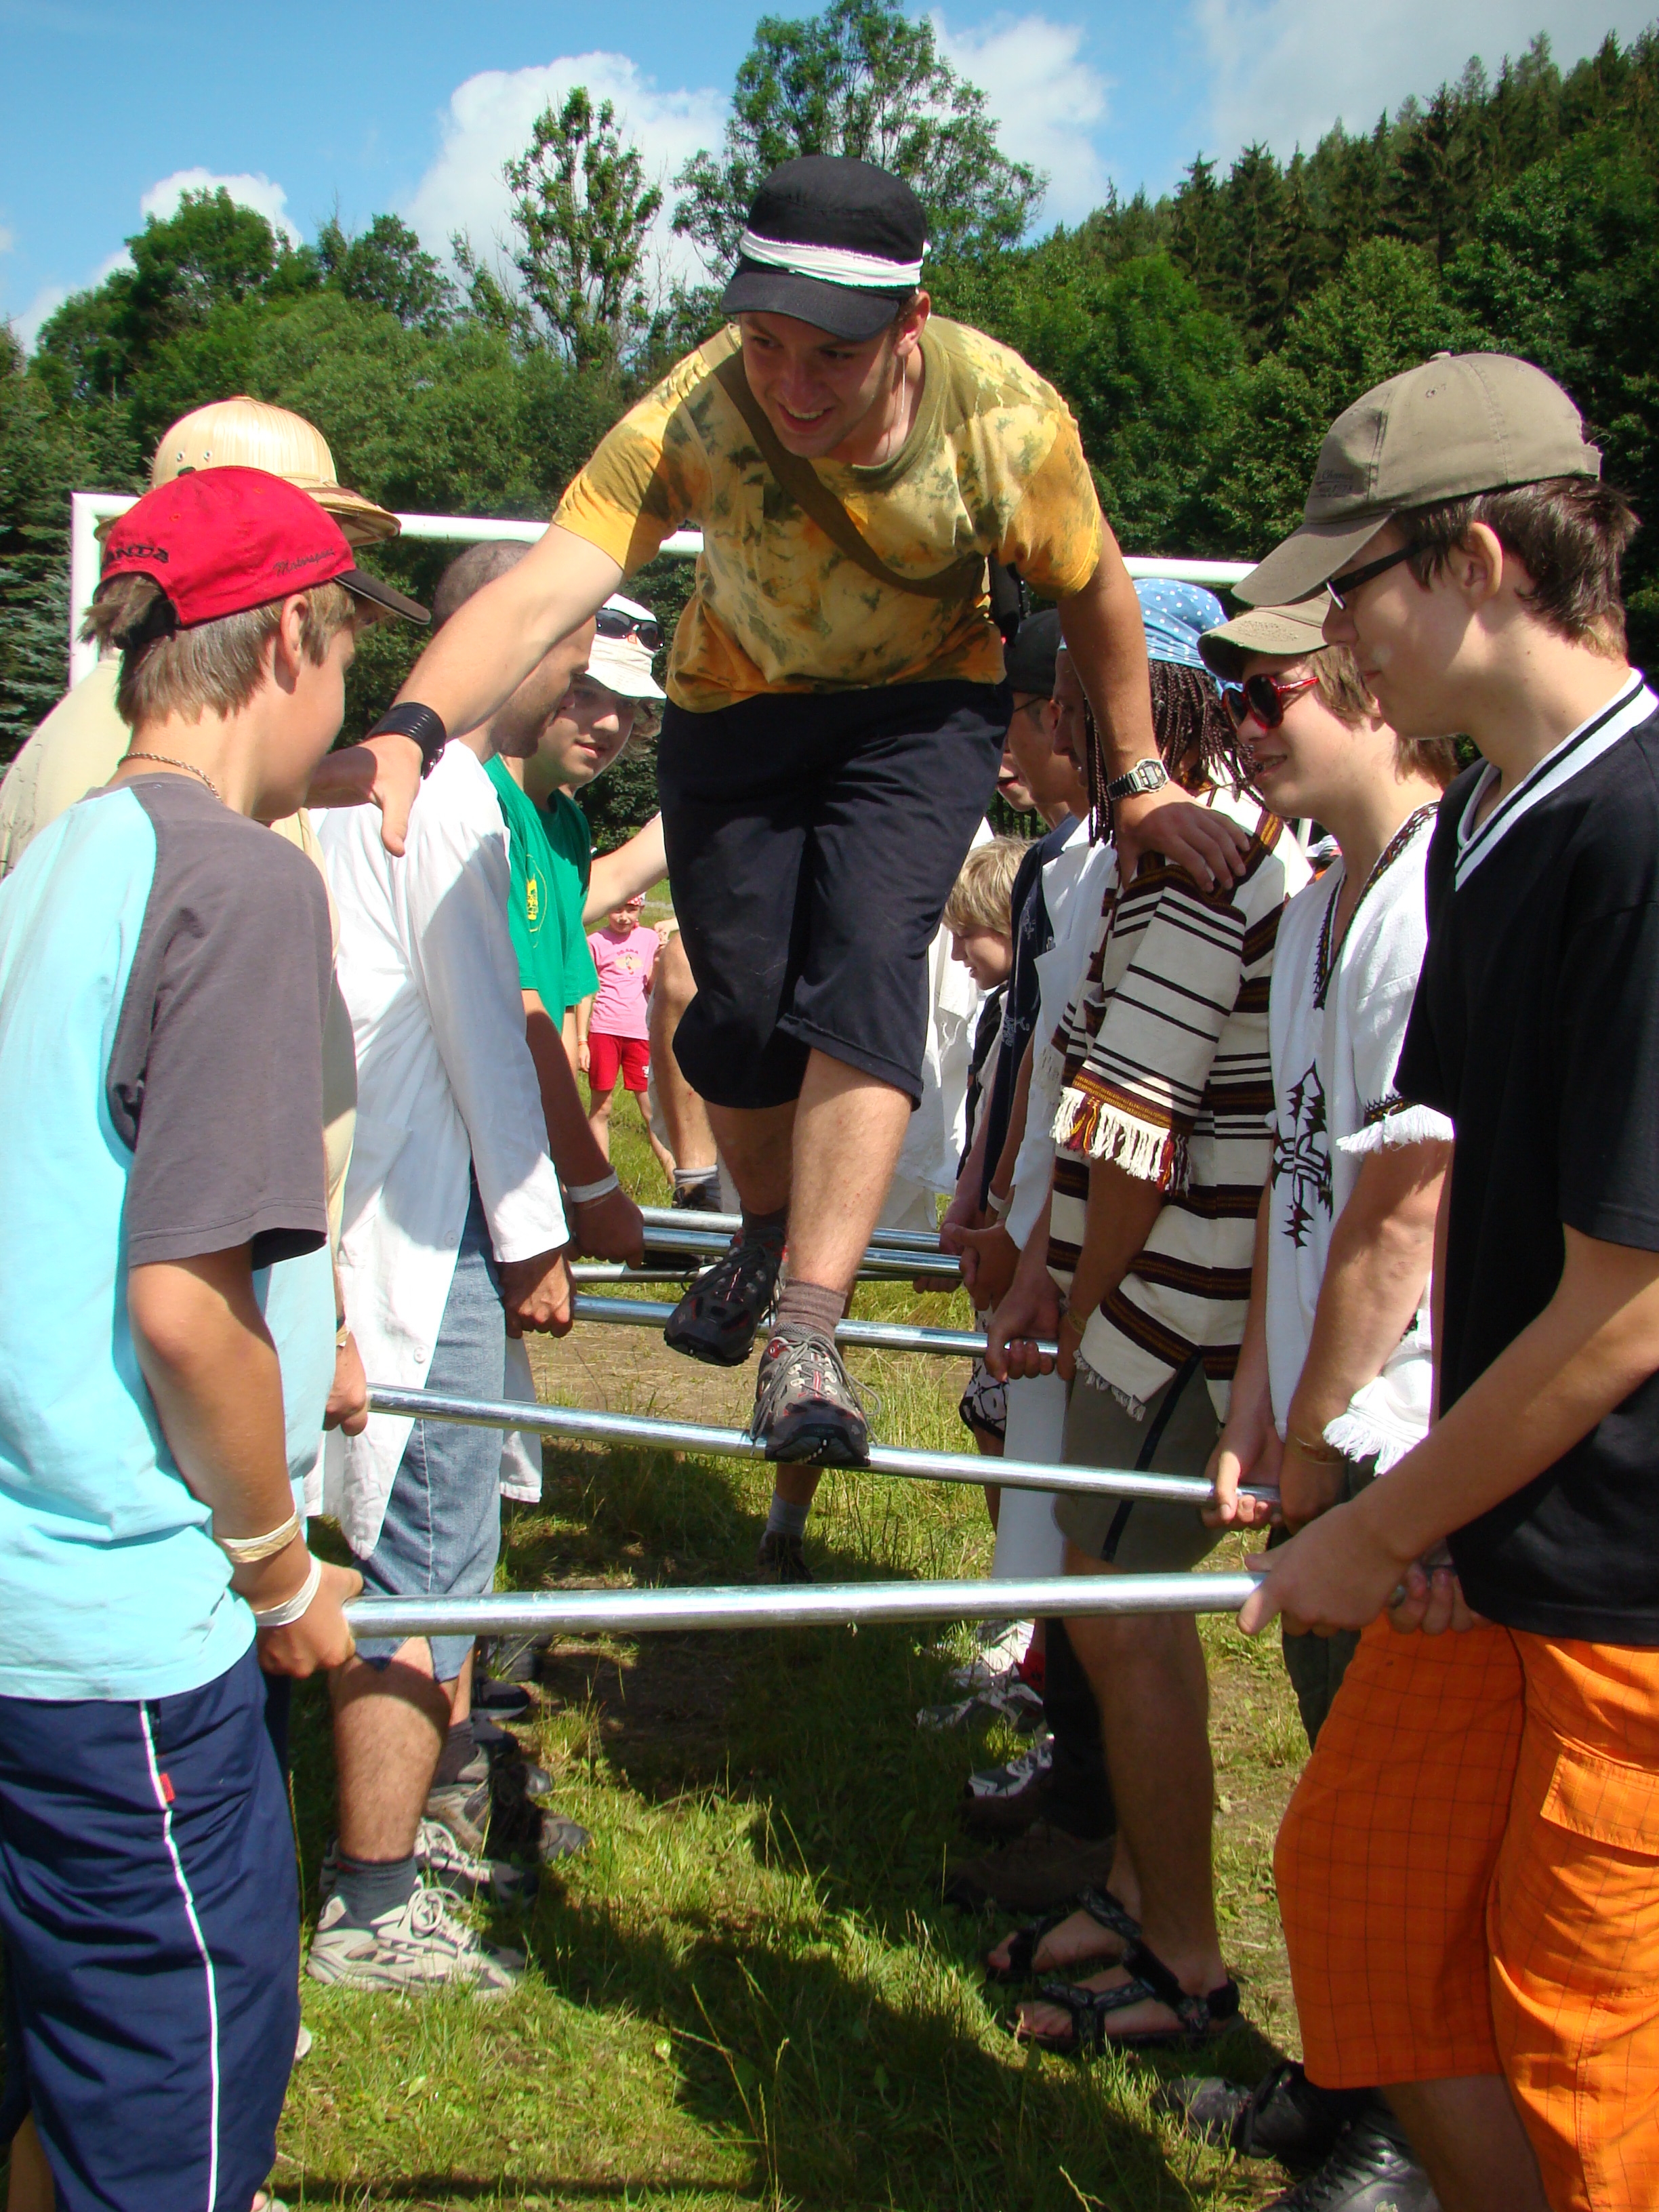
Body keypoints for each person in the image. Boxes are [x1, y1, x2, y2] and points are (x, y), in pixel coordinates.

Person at [365, 151, 1250, 1471]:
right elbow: (548, 583)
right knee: (734, 1012)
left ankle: (807, 1330)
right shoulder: (698, 409)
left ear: (910, 324)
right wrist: (410, 728)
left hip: (918, 712)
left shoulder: (1005, 423)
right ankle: (767, 1228)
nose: (790, 384)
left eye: (831, 354)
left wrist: (1136, 779)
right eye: (766, 341)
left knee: (866, 965)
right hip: (738, 709)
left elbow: (1097, 590)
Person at [1235, 353, 1659, 2212]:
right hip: (1493, 1538)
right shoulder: (1489, 823)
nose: (1331, 643)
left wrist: (1375, 1517)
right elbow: (1471, 1206)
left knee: (1591, 2046)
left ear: (1476, 560)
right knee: (1365, 1907)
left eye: (1352, 590)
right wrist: (1429, 1493)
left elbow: (1629, 1301)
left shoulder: (1636, 832)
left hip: (1627, 1588)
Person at [0, 467, 412, 2212]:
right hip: (124, 1645)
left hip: (29, 1623)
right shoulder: (236, 880)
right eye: (348, 649)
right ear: (293, 638)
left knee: (51, 2090)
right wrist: (277, 1567)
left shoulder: (60, 853)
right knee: (171, 2132)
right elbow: (182, 1302)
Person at [1156, 596, 1458, 2212]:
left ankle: (1408, 2132)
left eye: (1266, 699)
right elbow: (1297, 1176)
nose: (1240, 733)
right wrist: (1253, 1413)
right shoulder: (1325, 895)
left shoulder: (1436, 901)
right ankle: (1353, 2073)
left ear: (1367, 692)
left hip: (1411, 1429)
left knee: (1393, 1812)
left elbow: (1405, 1217)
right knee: (1341, 1780)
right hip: (1329, 1419)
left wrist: (1334, 1465)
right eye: (1228, 705)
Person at [983, 588, 1309, 2053]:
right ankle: (1130, 1897)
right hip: (1153, 1296)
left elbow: (1133, 1125)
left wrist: (1076, 1288)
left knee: (1125, 1618)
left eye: (1068, 698)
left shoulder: (1184, 867)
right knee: (1105, 1605)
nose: (1054, 725)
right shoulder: (1170, 854)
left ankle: (1184, 1954)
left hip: (1169, 1310)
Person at [310, 588, 581, 1992]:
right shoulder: (449, 794)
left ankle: (424, 1834)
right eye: (569, 654)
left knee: (435, 1541)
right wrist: (536, 1235)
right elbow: (486, 1032)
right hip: (425, 1216)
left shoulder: (365, 780)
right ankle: (371, 1900)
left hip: (389, 1198)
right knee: (422, 1551)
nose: (579, 687)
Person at [0, 394, 430, 879]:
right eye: (306, 538)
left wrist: (310, 783)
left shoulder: (144, 747)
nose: (332, 573)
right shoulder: (116, 761)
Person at [426, 543, 661, 1271]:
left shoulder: (564, 822)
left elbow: (578, 920)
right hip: (452, 1171)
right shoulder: (481, 802)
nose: (610, 724)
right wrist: (590, 1189)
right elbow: (524, 1021)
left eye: (629, 707)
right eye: (586, 691)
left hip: (508, 1161)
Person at [583, 892, 674, 1178]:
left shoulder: (649, 939)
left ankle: (676, 1179)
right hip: (604, 1030)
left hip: (638, 1033)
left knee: (651, 1110)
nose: (624, 917)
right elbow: (585, 993)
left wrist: (658, 962)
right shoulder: (595, 942)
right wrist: (581, 1041)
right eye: (617, 909)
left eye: (631, 910)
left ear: (641, 910)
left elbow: (651, 987)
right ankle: (601, 1178)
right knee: (601, 1107)